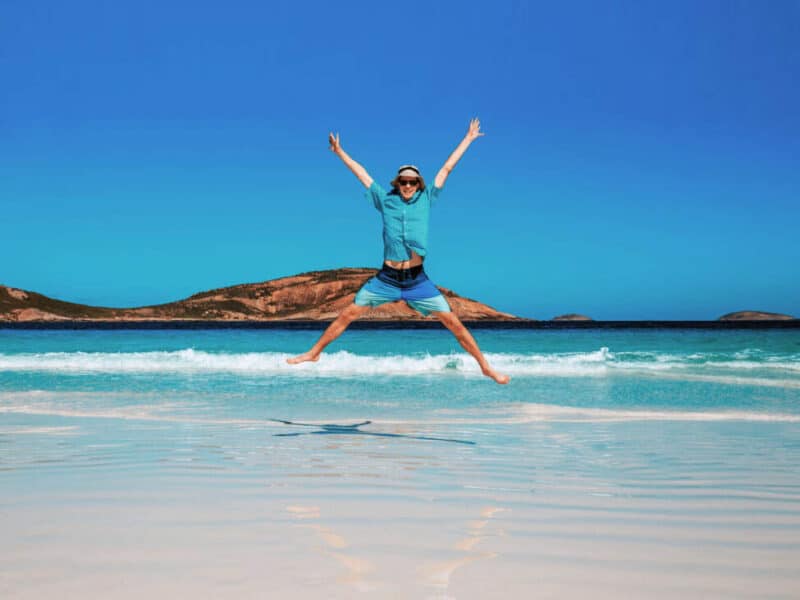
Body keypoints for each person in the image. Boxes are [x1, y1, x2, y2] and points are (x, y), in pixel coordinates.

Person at [287, 119, 510, 385]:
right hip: (387, 279)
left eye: (412, 182)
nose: (407, 186)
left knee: (453, 322)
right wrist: (339, 152)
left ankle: (485, 367)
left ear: (418, 184)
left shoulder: (427, 198)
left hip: (417, 280)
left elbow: (447, 168)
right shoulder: (386, 200)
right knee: (348, 314)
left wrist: (469, 138)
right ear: (397, 183)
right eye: (403, 182)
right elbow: (362, 175)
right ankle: (314, 353)